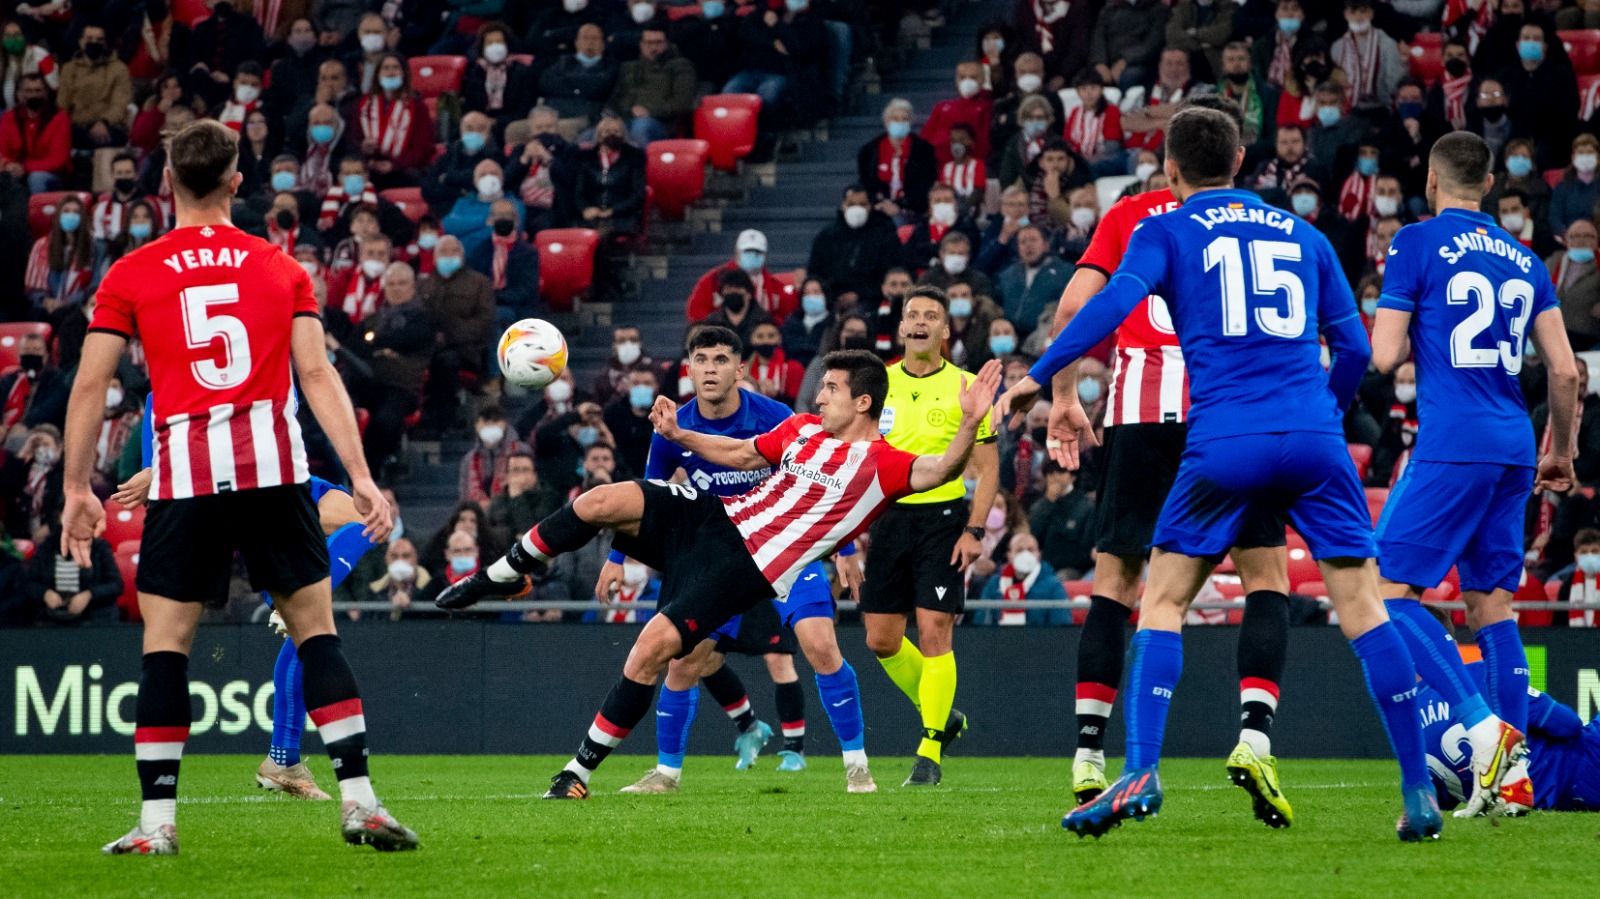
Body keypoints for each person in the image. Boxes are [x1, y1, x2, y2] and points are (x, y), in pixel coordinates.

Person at [1001, 105, 1435, 840]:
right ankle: (1419, 791)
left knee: (1162, 598)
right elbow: (1356, 350)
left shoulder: (1164, 227)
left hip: (1222, 436)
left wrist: (1040, 376)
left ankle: (1139, 770)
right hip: (1312, 438)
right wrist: (1323, 416)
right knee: (1365, 606)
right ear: (1241, 164)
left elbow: (1109, 300)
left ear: (1170, 169)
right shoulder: (1305, 233)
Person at [60, 120, 414, 853]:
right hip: (274, 472)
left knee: (167, 647)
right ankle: (361, 801)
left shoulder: (132, 272)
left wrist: (75, 488)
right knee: (317, 632)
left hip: (185, 479)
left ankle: (157, 824)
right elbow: (317, 374)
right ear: (236, 181)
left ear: (165, 182)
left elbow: (92, 381)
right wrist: (360, 474)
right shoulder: (279, 267)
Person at [436, 350, 1001, 800]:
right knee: (600, 501)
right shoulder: (802, 430)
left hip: (746, 565)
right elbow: (741, 454)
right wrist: (682, 438)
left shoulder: (884, 462)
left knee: (652, 649)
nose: (818, 395)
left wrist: (971, 419)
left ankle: (576, 771)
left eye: (829, 388)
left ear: (861, 401)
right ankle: (502, 574)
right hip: (711, 516)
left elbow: (940, 468)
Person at [1042, 101, 1301, 817]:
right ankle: (1254, 736)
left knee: (1118, 584)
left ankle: (1090, 755)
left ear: (1168, 164)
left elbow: (1071, 309)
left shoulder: (1132, 216)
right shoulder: (1263, 221)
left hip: (1138, 414)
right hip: (1231, 416)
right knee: (1265, 577)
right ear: (1238, 162)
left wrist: (1064, 395)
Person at [1367, 130, 1579, 818]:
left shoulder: (1416, 243)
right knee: (1492, 605)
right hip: (1516, 442)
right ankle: (1512, 782)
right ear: (1489, 185)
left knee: (1385, 592)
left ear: (1431, 182)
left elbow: (1384, 351)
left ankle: (1483, 730)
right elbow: (1567, 371)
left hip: (1453, 439)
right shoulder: (1526, 259)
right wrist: (1563, 453)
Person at [601, 326, 876, 794]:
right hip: (720, 556)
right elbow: (648, 500)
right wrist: (617, 557)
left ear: (740, 369)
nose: (710, 369)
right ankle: (666, 775)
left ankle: (857, 766)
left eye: (721, 359)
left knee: (821, 646)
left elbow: (820, 480)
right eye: (701, 359)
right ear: (689, 369)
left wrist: (846, 549)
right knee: (683, 662)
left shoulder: (776, 417)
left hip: (786, 549)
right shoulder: (672, 430)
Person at [114, 403, 382, 800]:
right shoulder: (194, 370)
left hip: (274, 478)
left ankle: (283, 759)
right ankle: (290, 595)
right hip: (228, 486)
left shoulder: (263, 362)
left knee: (364, 517)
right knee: (313, 609)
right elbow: (162, 418)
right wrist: (159, 469)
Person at [855, 286, 998, 785]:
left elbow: (988, 467)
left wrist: (975, 530)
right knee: (880, 639)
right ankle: (943, 713)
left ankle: (929, 750)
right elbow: (850, 463)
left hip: (942, 521)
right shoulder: (877, 384)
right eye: (911, 315)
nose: (919, 322)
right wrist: (846, 541)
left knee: (936, 633)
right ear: (900, 328)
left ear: (945, 330)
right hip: (888, 519)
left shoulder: (966, 387)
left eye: (929, 316)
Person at [804, 185, 903, 309]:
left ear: (871, 206)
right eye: (851, 204)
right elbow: (815, 272)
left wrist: (861, 295)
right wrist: (831, 296)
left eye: (862, 204)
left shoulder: (885, 234)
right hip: (831, 302)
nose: (856, 209)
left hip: (872, 302)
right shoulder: (826, 236)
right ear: (843, 205)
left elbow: (892, 273)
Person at [608, 25, 695, 146]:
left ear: (666, 44)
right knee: (591, 135)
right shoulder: (628, 67)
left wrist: (649, 111)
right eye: (649, 43)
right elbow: (615, 98)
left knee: (641, 127)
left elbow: (682, 103)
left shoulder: (681, 66)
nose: (653, 47)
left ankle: (641, 163)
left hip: (660, 123)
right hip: (624, 119)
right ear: (641, 44)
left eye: (658, 42)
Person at [686, 229, 794, 324]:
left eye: (758, 252)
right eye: (747, 251)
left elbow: (786, 314)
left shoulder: (774, 286)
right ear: (737, 252)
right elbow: (696, 310)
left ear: (765, 255)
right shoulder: (713, 279)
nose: (753, 255)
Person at [857, 98, 938, 219]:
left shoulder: (924, 150)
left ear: (911, 121)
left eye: (904, 119)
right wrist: (880, 204)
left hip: (912, 208)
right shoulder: (869, 150)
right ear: (886, 121)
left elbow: (925, 184)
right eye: (895, 119)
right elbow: (866, 183)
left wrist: (899, 206)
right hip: (878, 207)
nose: (900, 123)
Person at [57, 24, 133, 148]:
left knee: (108, 140)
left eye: (99, 40)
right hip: (76, 126)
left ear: (105, 43)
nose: (94, 43)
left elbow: (120, 104)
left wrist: (103, 122)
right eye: (89, 39)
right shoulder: (69, 69)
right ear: (81, 41)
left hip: (109, 125)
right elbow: (62, 104)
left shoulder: (119, 68)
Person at [971, 531, 1070, 626]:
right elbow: (981, 621)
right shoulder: (994, 583)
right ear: (1009, 555)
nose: (1025, 554)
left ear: (1039, 554)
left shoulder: (1053, 586)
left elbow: (1061, 625)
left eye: (1031, 550)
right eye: (1019, 550)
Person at [538, 23, 618, 130]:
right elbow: (546, 83)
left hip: (586, 116)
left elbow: (599, 87)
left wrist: (567, 79)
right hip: (553, 114)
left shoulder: (610, 65)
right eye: (585, 38)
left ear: (603, 44)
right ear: (576, 43)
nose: (590, 42)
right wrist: (582, 87)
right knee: (514, 129)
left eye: (595, 38)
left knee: (562, 129)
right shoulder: (562, 61)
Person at [995, 224, 1069, 340]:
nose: (1028, 245)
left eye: (1033, 240)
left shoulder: (1065, 273)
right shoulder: (1008, 275)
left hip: (1043, 336)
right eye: (1023, 242)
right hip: (1010, 336)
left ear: (1045, 245)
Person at [0, 73, 71, 193]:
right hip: (15, 172)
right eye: (28, 91)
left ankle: (37, 211)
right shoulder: (9, 117)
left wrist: (25, 168)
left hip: (51, 175)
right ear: (19, 94)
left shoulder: (60, 118)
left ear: (46, 93)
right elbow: (2, 151)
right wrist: (8, 165)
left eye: (38, 90)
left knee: (36, 178)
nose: (33, 95)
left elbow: (58, 159)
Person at [459, 406, 531, 509]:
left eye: (495, 421)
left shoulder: (522, 450)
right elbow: (464, 494)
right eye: (485, 422)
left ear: (505, 424)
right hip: (480, 516)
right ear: (476, 426)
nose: (490, 426)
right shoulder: (469, 459)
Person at [488, 450, 561, 538]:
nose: (520, 475)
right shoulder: (497, 503)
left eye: (525, 470)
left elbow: (531, 534)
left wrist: (517, 496)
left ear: (535, 475)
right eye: (515, 470)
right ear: (507, 476)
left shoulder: (549, 498)